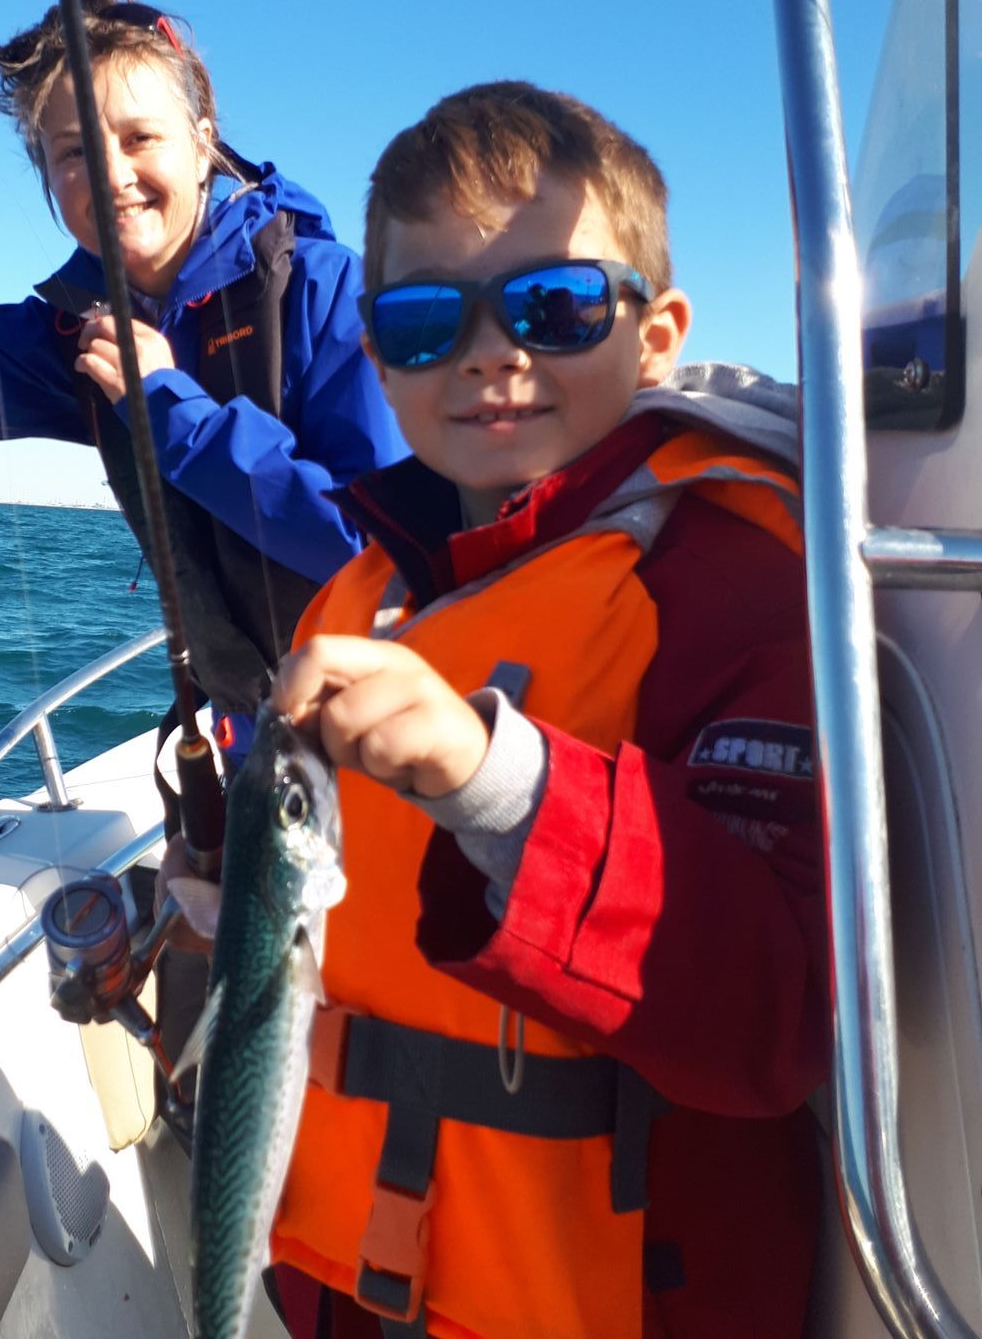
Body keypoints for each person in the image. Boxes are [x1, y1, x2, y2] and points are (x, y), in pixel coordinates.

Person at [255, 81, 827, 1338]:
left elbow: (775, 1012)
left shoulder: (737, 584)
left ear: (659, 333)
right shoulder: (361, 592)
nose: (488, 355)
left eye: (552, 306)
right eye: (420, 321)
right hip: (341, 1286)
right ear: (376, 357)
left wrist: (497, 784)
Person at [0, 0, 407, 763]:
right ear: (46, 175)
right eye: (73, 152)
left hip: (394, 727)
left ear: (204, 143)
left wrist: (169, 411)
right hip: (257, 746)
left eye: (139, 138)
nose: (111, 174)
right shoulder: (72, 336)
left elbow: (378, 547)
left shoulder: (323, 293)